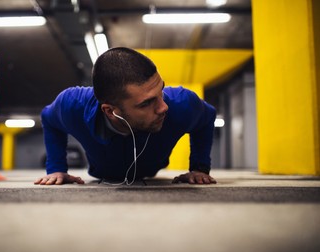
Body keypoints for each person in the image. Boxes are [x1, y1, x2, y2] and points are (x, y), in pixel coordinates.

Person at [34, 47, 217, 186]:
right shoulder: (72, 105)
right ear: (110, 111)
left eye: (160, 91)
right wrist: (56, 168)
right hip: (101, 173)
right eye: (146, 103)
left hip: (152, 170)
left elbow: (208, 116)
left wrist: (199, 168)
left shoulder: (181, 104)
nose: (163, 107)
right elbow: (49, 119)